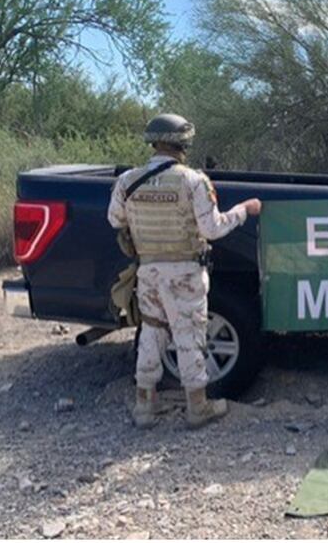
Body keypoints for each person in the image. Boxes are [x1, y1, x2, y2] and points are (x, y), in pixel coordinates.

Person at [108, 114, 261, 429]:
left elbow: (115, 219)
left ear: (153, 142)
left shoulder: (127, 181)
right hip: (185, 272)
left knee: (152, 331)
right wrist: (243, 211)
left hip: (148, 271)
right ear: (183, 143)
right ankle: (197, 407)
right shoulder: (193, 181)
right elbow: (212, 228)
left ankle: (144, 407)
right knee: (189, 335)